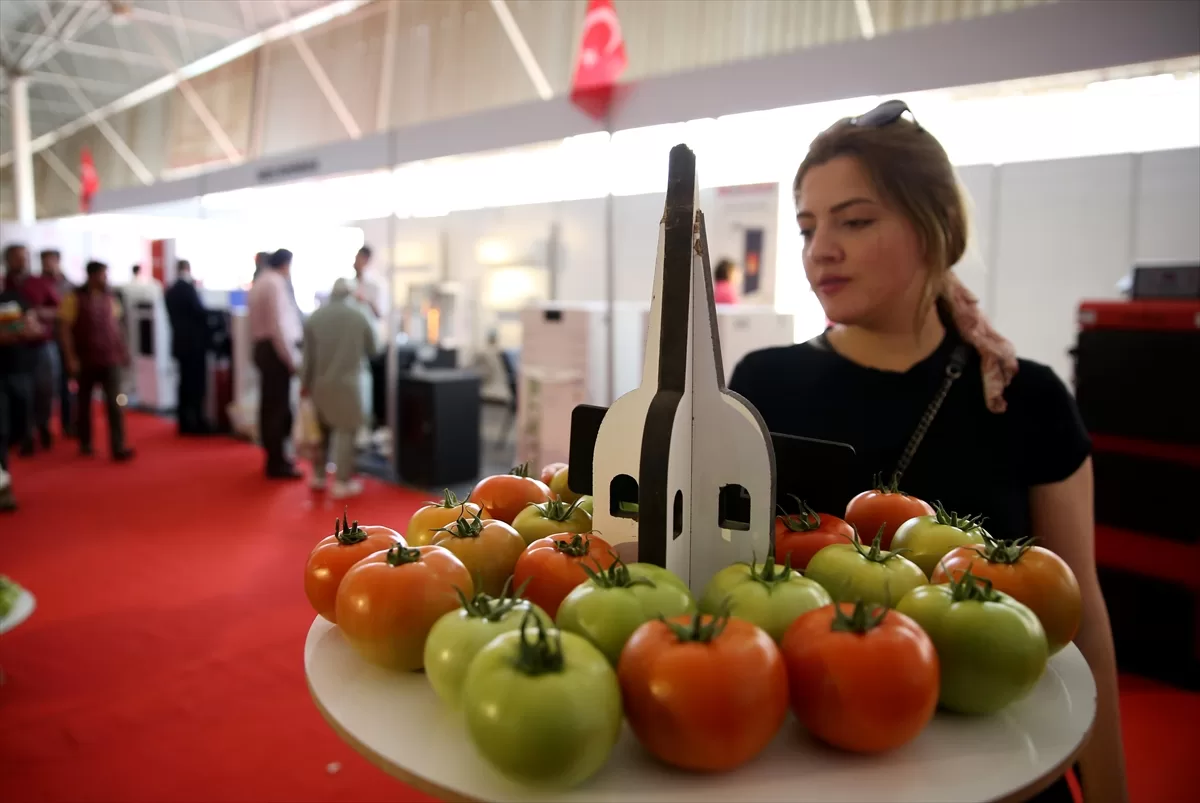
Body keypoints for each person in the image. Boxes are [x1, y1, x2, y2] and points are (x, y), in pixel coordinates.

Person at [727, 100, 1126, 803]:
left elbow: (1079, 614)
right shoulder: (762, 384)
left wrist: (1110, 787)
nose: (820, 249)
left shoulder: (1024, 397)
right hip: (815, 762)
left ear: (935, 226)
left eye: (854, 221)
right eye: (809, 227)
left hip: (1002, 765)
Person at [301, 278, 377, 498]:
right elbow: (374, 348)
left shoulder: (314, 318)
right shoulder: (359, 316)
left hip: (319, 385)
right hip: (347, 386)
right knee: (346, 432)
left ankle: (318, 476)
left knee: (320, 432)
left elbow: (307, 358)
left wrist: (304, 384)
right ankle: (341, 481)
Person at [60, 261, 134, 461]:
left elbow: (116, 326)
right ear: (92, 276)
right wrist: (70, 357)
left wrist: (123, 350)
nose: (106, 278)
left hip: (110, 358)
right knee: (84, 403)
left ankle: (118, 446)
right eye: (103, 274)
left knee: (115, 403)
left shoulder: (110, 297)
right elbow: (65, 329)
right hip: (85, 359)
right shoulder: (73, 298)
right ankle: (85, 442)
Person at [248, 248, 303, 479]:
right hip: (274, 351)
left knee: (270, 405)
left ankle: (275, 456)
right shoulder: (275, 284)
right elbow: (278, 325)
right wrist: (291, 359)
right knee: (277, 408)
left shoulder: (260, 282)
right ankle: (277, 461)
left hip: (264, 348)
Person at [2, 244, 60, 454]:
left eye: (25, 257)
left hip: (40, 346)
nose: (22, 261)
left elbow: (59, 310)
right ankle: (25, 435)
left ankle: (43, 426)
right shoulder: (4, 285)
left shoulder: (39, 282)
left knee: (45, 390)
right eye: (17, 257)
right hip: (11, 351)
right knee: (20, 394)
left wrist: (38, 314)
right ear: (7, 260)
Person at [0, 267, 47, 512]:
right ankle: (3, 488)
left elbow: (34, 327)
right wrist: (15, 330)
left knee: (19, 427)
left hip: (20, 370)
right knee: (1, 430)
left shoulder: (14, 297)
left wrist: (19, 330)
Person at [165, 259, 212, 435]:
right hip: (194, 346)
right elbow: (199, 313)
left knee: (183, 384)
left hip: (180, 344)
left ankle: (184, 421)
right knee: (195, 385)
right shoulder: (188, 289)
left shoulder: (170, 290)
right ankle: (196, 421)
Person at [40, 249, 75, 436]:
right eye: (44, 261)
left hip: (66, 340)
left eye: (51, 260)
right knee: (47, 385)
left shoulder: (68, 285)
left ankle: (69, 423)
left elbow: (71, 312)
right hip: (45, 341)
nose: (48, 264)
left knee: (68, 385)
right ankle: (43, 426)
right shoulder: (37, 283)